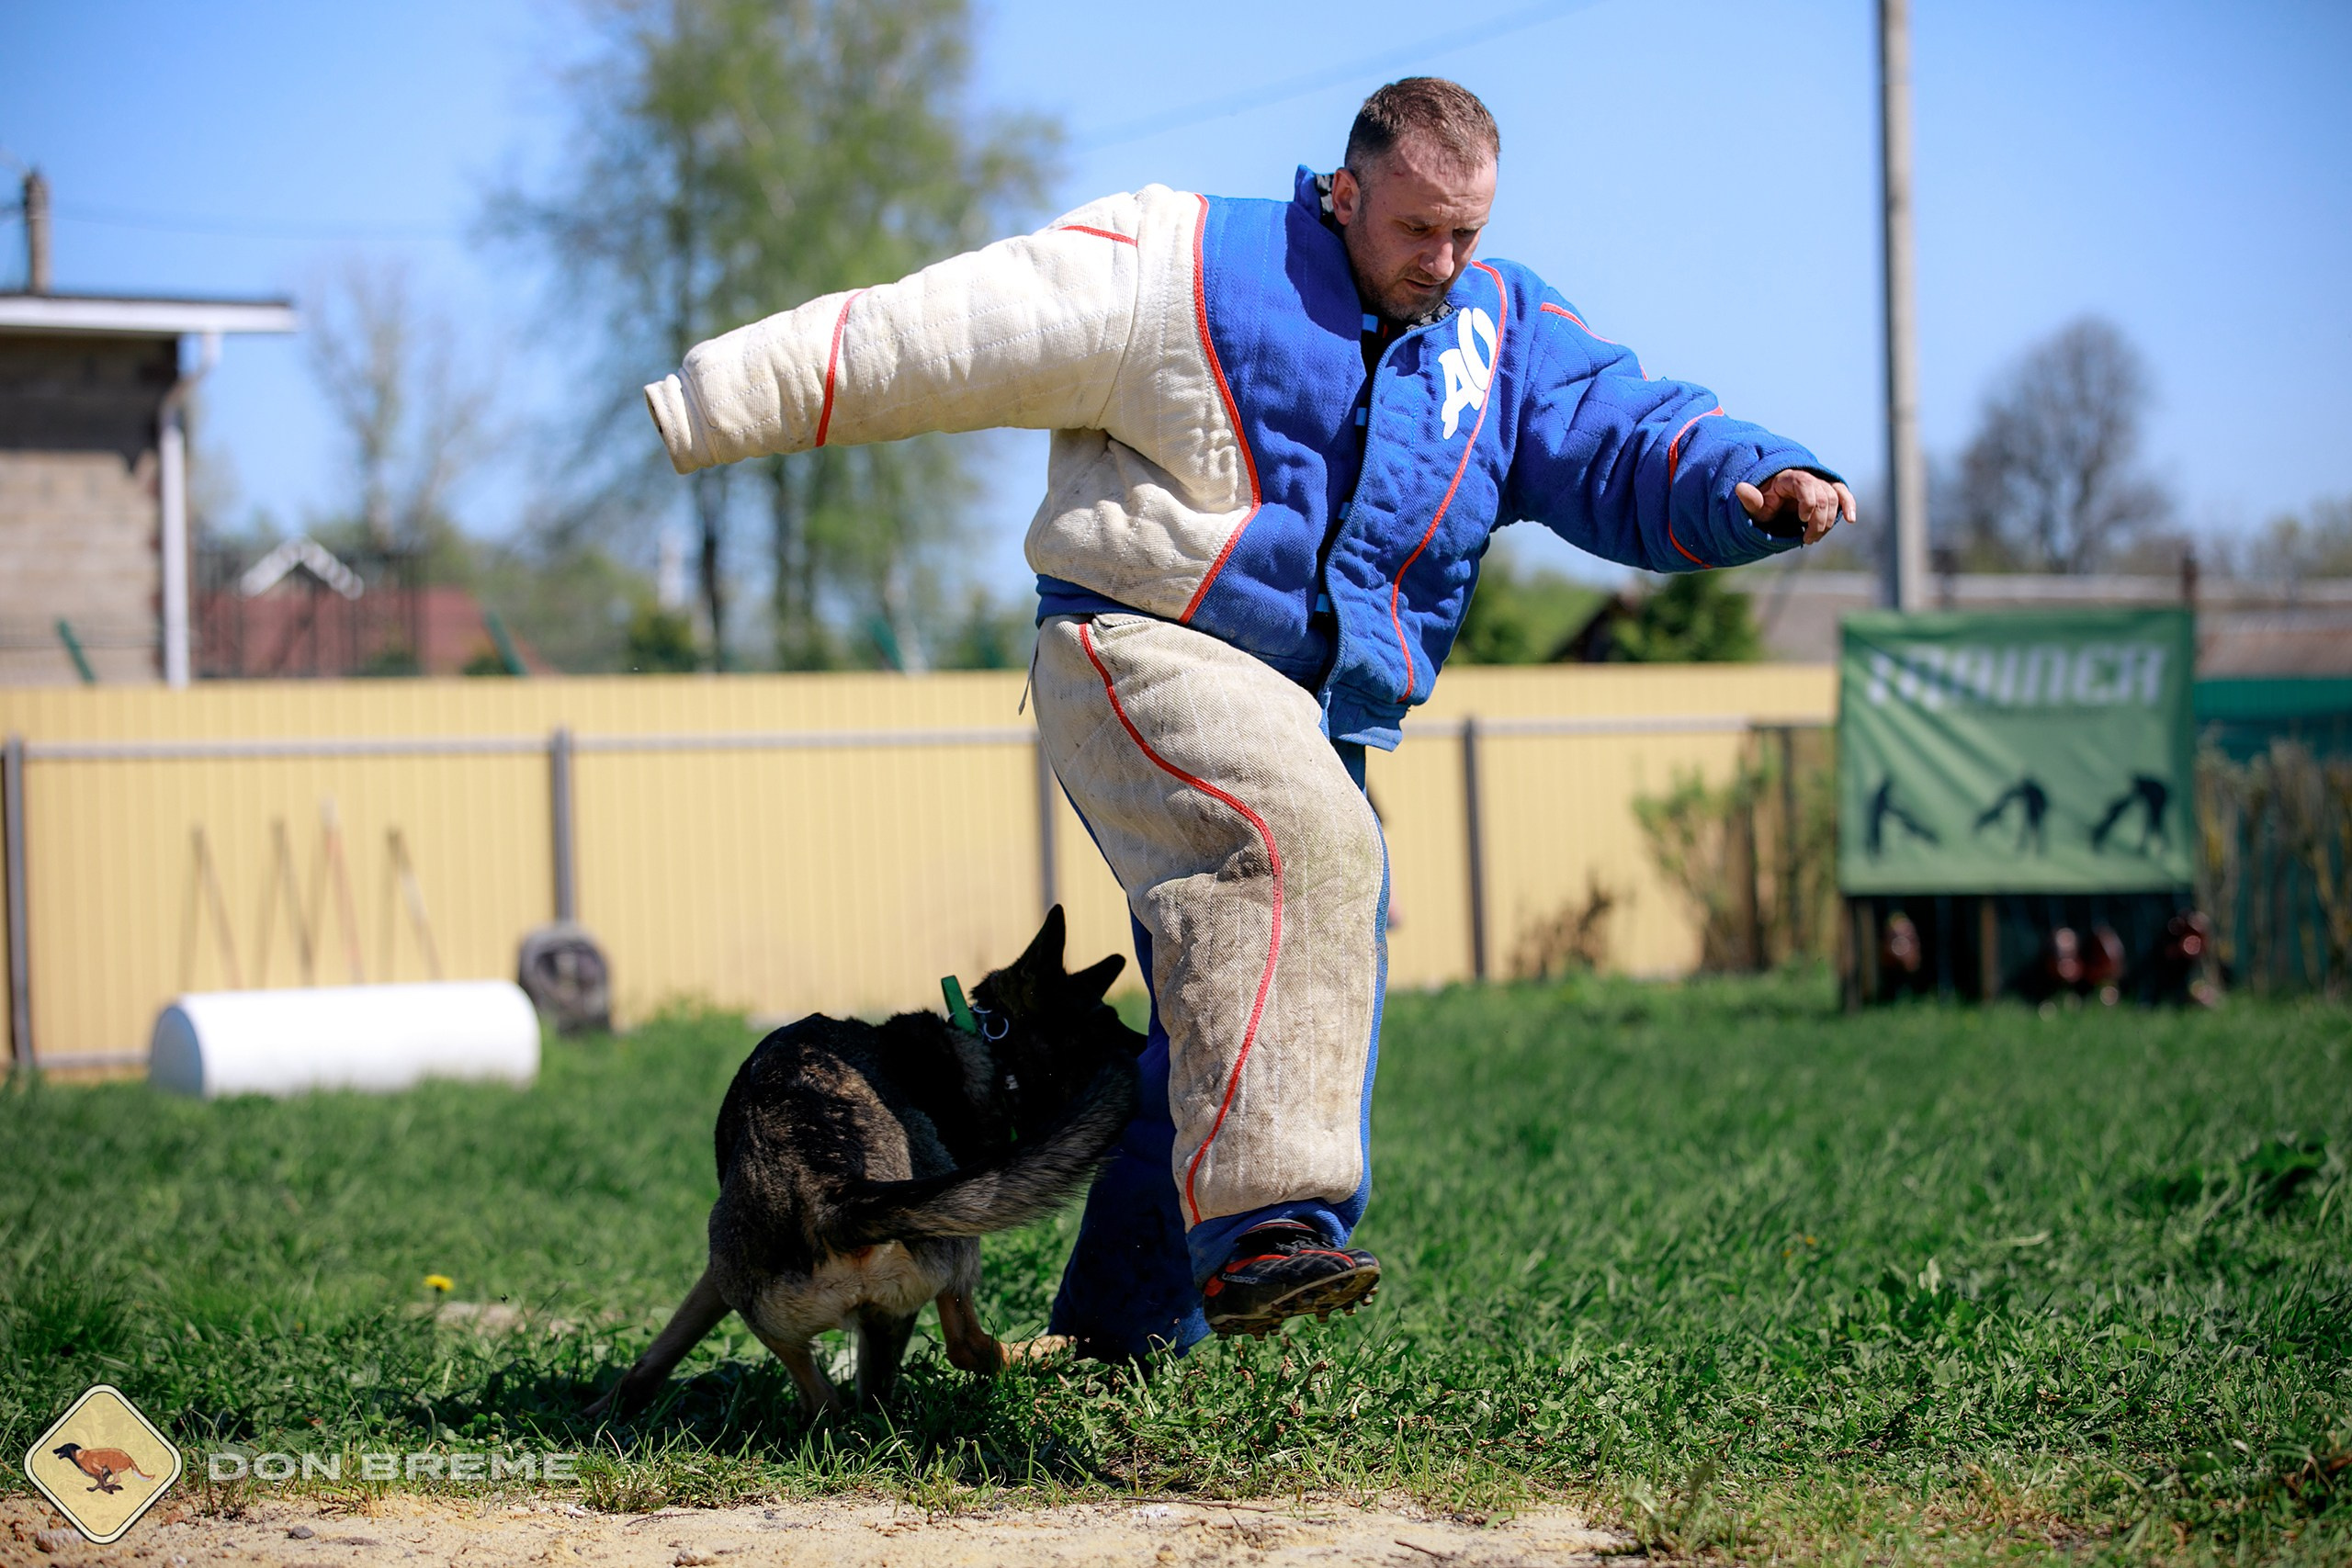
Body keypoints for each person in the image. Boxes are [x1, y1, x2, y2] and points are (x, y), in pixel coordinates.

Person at [642, 77, 1856, 1360]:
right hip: (1143, 645)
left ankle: (1119, 1344)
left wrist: (1749, 479)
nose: (1443, 262)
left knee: (1239, 1009)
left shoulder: (1499, 336)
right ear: (1344, 192)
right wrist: (713, 401)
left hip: (1311, 711)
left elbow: (1619, 437)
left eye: (1467, 234)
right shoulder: (1190, 270)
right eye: (1415, 230)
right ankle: (1271, 1225)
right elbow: (949, 331)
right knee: (1298, 842)